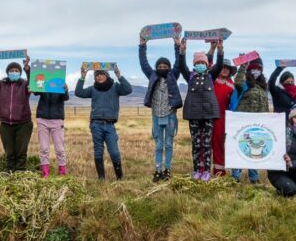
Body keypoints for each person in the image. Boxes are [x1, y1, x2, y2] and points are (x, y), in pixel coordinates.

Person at [75, 64, 133, 180]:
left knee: (114, 152)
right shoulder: (93, 89)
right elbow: (79, 92)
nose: (99, 77)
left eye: (102, 75)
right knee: (98, 152)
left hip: (110, 125)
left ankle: (119, 178)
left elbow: (128, 89)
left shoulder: (115, 87)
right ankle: (101, 179)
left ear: (106, 75)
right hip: (96, 125)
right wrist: (82, 77)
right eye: (97, 75)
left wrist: (119, 75)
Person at [177, 38, 224, 181]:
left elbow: (220, 65)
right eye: (197, 63)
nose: (200, 65)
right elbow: (181, 65)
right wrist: (182, 51)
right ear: (194, 64)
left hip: (209, 114)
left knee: (206, 144)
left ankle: (207, 172)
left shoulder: (211, 75)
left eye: (203, 63)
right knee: (196, 144)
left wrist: (220, 50)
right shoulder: (190, 76)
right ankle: (197, 170)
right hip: (193, 115)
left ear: (207, 64)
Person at [139, 36, 183, 181]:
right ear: (156, 67)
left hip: (170, 115)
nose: (162, 68)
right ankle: (157, 170)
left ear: (169, 68)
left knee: (169, 143)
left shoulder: (173, 75)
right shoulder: (152, 75)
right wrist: (142, 46)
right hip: (156, 115)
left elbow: (178, 63)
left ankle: (167, 170)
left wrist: (177, 46)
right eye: (160, 66)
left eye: (165, 66)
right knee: (158, 144)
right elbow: (144, 63)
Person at [0, 55, 34, 173]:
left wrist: (27, 68)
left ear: (20, 72)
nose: (14, 72)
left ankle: (20, 173)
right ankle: (10, 172)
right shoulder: (1, 85)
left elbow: (33, 81)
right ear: (7, 73)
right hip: (6, 124)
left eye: (16, 71)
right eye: (11, 71)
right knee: (9, 152)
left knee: (21, 151)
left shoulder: (25, 85)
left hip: (24, 123)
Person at [231, 58, 269, 184]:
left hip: (258, 123)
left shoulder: (263, 87)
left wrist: (267, 120)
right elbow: (237, 81)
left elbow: (265, 105)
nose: (256, 71)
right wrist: (243, 66)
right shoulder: (245, 83)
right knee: (241, 147)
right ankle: (235, 176)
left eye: (259, 69)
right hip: (243, 122)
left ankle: (254, 177)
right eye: (254, 68)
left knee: (254, 148)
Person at [209, 46, 236, 177]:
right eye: (223, 67)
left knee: (219, 144)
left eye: (227, 68)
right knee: (205, 144)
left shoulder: (233, 85)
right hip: (208, 115)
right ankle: (202, 171)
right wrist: (213, 49)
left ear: (230, 71)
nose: (225, 69)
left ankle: (219, 172)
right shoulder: (211, 79)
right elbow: (208, 64)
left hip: (223, 118)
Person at [33, 83, 70, 177]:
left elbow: (65, 97)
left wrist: (65, 89)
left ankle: (62, 173)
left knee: (60, 149)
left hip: (57, 119)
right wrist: (29, 73)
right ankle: (45, 173)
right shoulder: (42, 82)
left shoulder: (60, 82)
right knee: (44, 148)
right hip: (42, 119)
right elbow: (35, 91)